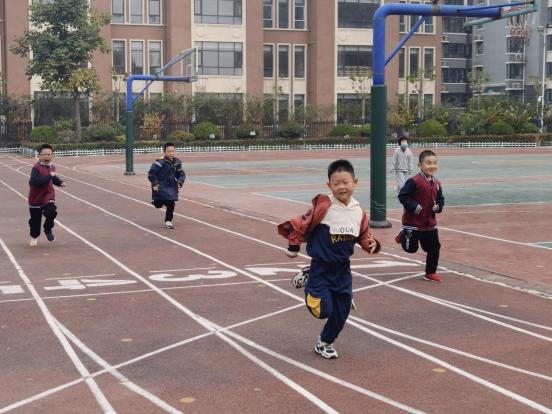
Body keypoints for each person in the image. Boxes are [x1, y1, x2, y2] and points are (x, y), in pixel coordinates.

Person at [277, 159, 381, 359]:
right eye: (336, 183)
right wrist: (293, 246)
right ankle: (308, 278)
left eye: (345, 182)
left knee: (341, 313)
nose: (341, 187)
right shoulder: (324, 206)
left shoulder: (359, 211)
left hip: (343, 270)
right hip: (321, 268)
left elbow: (364, 235)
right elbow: (302, 224)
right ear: (329, 186)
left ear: (355, 182)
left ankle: (325, 342)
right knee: (322, 311)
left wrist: (372, 245)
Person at [397, 150, 445, 282]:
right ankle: (403, 236)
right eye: (428, 163)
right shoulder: (414, 181)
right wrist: (414, 206)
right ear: (420, 165)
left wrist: (438, 207)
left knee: (434, 248)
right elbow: (403, 196)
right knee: (411, 249)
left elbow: (441, 200)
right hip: (413, 224)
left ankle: (430, 272)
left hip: (430, 224)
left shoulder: (437, 183)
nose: (432, 166)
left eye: (435, 163)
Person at [28, 143, 66, 247]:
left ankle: (47, 228)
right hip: (35, 198)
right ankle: (34, 236)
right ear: (39, 155)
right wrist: (49, 176)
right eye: (44, 154)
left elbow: (53, 178)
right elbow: (34, 181)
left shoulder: (52, 167)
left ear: (52, 156)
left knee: (51, 212)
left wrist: (60, 182)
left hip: (48, 195)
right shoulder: (36, 167)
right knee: (35, 222)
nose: (47, 156)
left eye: (49, 154)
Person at [147, 142, 185, 229]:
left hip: (171, 186)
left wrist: (180, 181)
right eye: (169, 151)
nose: (171, 153)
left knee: (171, 203)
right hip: (160, 185)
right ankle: (155, 200)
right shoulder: (160, 162)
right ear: (165, 152)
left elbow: (181, 173)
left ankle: (168, 221)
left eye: (173, 151)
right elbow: (152, 173)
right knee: (158, 205)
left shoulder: (177, 162)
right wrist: (155, 183)